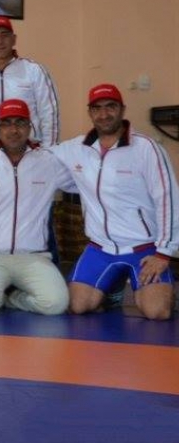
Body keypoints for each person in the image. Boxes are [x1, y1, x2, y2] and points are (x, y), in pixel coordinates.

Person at [50, 84, 178, 320]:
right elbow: (37, 156)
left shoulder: (146, 149)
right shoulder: (76, 148)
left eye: (111, 106)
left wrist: (163, 253)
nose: (104, 114)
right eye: (97, 108)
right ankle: (112, 290)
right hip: (101, 248)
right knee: (78, 306)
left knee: (157, 311)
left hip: (144, 248)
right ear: (90, 113)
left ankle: (161, 290)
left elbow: (168, 198)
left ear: (122, 109)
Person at [0, 99, 71, 316]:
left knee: (56, 304)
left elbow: (84, 180)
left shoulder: (47, 162)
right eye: (6, 123)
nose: (14, 130)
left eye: (20, 123)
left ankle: (13, 298)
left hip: (33, 257)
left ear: (30, 127)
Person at [0, 16, 59, 157]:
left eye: (5, 35)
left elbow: (49, 114)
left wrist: (48, 154)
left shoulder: (34, 71)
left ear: (14, 39)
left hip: (29, 153)